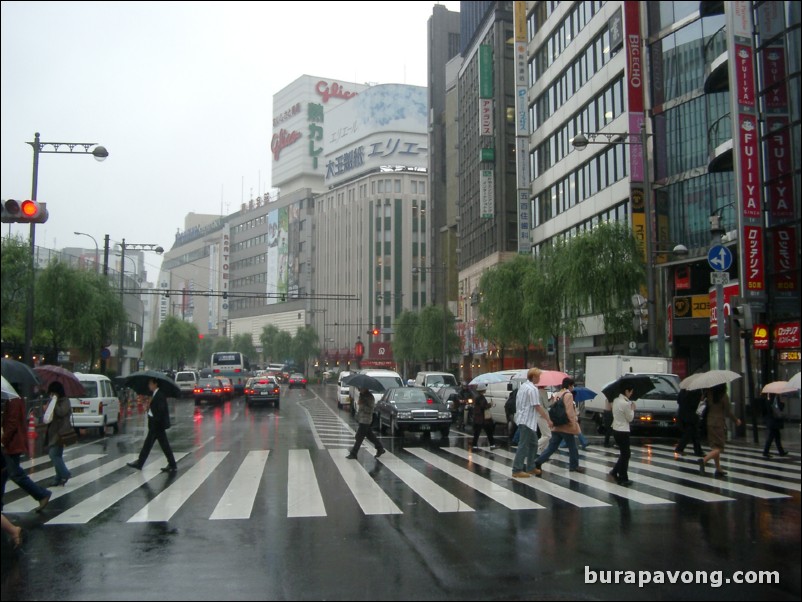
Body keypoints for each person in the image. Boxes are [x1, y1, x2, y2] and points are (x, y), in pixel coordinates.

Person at [1, 393, 52, 510]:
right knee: (4, 473)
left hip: (12, 444)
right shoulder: (12, 399)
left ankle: (42, 494)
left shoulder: (14, 400)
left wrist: (3, 441)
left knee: (15, 473)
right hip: (11, 443)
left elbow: (12, 423)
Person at [533, 377, 586, 474]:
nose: (572, 388)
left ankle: (538, 461)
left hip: (557, 425)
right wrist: (572, 423)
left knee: (552, 447)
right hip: (566, 425)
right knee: (573, 447)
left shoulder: (557, 394)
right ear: (569, 385)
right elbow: (569, 411)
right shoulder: (568, 395)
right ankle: (574, 466)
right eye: (572, 385)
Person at [127, 377, 178, 472]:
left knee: (156, 445)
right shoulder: (156, 394)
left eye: (150, 383)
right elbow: (156, 410)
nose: (149, 385)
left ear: (155, 384)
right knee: (155, 445)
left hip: (157, 425)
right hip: (156, 425)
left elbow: (160, 410)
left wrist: (152, 413)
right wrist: (148, 409)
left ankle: (141, 463)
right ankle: (171, 464)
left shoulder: (160, 395)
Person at [511, 368, 552, 478]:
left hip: (524, 419)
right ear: (534, 377)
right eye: (538, 377)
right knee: (523, 445)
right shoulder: (533, 389)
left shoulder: (523, 387)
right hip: (527, 421)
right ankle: (517, 469)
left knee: (533, 444)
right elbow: (537, 406)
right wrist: (548, 420)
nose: (539, 379)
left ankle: (530, 467)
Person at [698, 384, 741, 477]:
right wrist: (736, 420)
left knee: (715, 446)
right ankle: (704, 460)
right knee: (719, 447)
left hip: (709, 422)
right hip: (718, 423)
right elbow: (728, 411)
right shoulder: (723, 395)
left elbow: (702, 401)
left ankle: (718, 469)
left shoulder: (709, 393)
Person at [44, 381, 73, 486]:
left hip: (61, 432)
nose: (51, 394)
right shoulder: (53, 401)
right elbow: (48, 416)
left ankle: (65, 474)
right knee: (57, 455)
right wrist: (47, 407)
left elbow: (61, 412)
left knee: (53, 454)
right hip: (53, 431)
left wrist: (54, 403)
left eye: (52, 392)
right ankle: (58, 478)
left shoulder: (65, 401)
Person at [347, 387, 385, 459]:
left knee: (359, 437)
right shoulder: (362, 396)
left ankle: (354, 453)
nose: (359, 389)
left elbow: (371, 409)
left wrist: (362, 405)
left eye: (360, 388)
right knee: (369, 435)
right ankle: (380, 448)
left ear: (365, 388)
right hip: (361, 419)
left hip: (366, 420)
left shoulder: (369, 397)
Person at [608, 386, 636, 485]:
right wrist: (632, 409)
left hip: (616, 428)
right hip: (623, 430)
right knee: (626, 454)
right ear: (626, 390)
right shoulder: (625, 403)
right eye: (630, 391)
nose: (631, 393)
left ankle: (615, 471)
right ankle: (623, 477)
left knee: (624, 453)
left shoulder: (616, 400)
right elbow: (630, 418)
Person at [674, 388, 704, 456]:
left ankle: (698, 451)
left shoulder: (683, 390)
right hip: (691, 415)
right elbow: (694, 404)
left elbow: (678, 400)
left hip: (682, 413)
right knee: (690, 431)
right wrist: (700, 398)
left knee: (694, 433)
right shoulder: (696, 390)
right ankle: (679, 448)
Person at [762, 393, 788, 458]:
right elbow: (779, 409)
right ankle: (765, 452)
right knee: (772, 437)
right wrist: (782, 403)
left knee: (777, 437)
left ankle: (781, 452)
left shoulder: (768, 399)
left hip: (771, 420)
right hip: (774, 421)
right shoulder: (775, 400)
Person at [470, 384, 496, 449]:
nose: (485, 390)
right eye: (485, 389)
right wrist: (490, 404)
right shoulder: (481, 397)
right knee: (488, 431)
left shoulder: (477, 397)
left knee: (477, 432)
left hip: (478, 418)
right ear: (482, 390)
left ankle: (474, 445)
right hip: (482, 418)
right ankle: (492, 445)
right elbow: (483, 406)